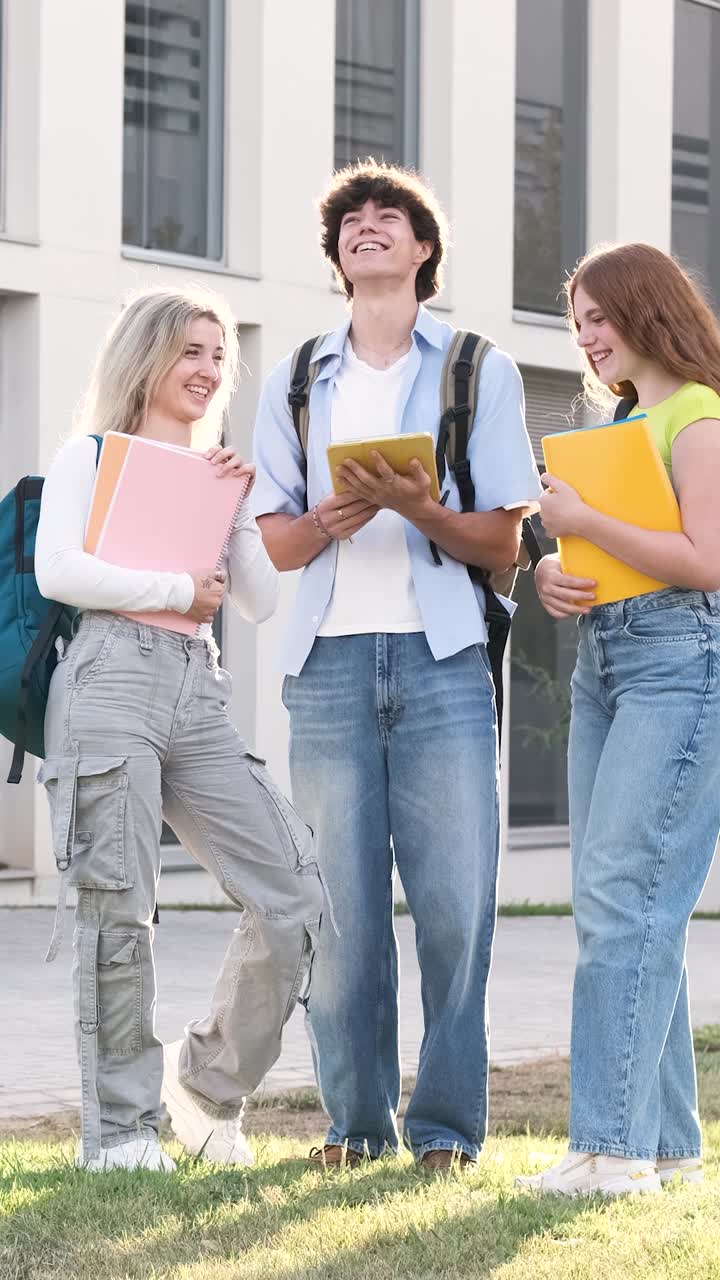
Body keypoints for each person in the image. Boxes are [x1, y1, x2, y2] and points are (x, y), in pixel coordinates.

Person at [253, 160, 541, 1169]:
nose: (367, 227)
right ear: (337, 256)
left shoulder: (478, 368)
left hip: (443, 662)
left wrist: (418, 510)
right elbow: (274, 545)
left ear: (424, 251)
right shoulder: (297, 376)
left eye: (391, 218)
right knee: (342, 918)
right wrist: (332, 519)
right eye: (351, 221)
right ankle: (356, 1126)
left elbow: (504, 544)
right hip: (326, 666)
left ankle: (448, 1130)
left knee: (456, 905)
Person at [35, 284, 324, 1173]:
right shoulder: (91, 455)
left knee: (295, 894)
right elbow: (58, 571)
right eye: (191, 351)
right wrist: (173, 588)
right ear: (146, 358)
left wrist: (236, 514)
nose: (207, 370)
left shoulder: (215, 475)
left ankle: (203, 1090)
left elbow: (261, 598)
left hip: (197, 685)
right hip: (107, 677)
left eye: (218, 356)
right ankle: (119, 1134)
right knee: (117, 911)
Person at [517, 243, 720, 1197]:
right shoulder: (622, 424)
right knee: (635, 905)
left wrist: (588, 522)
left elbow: (706, 561)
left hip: (681, 665)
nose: (590, 339)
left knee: (621, 898)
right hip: (608, 656)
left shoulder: (698, 414)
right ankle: (668, 1146)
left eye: (602, 317)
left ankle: (609, 1148)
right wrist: (557, 571)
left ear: (650, 309)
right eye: (580, 322)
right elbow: (610, 560)